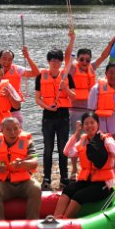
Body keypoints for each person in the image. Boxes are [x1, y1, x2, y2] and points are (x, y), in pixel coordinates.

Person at [67, 32, 115, 179]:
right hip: (76, 110)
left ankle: (92, 165)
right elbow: (67, 55)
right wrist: (72, 40)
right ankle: (75, 169)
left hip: (90, 110)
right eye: (82, 59)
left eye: (87, 60)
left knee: (92, 138)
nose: (85, 62)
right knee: (77, 138)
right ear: (77, 59)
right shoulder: (72, 69)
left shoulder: (92, 67)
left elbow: (103, 57)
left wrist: (111, 43)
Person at [54, 112, 115, 218]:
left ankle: (65, 221)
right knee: (68, 189)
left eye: (92, 123)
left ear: (98, 124)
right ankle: (55, 218)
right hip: (87, 180)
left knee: (79, 196)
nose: (89, 126)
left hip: (104, 183)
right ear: (83, 126)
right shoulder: (83, 140)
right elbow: (67, 152)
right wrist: (76, 133)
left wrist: (107, 143)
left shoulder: (105, 139)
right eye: (86, 124)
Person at [34, 41, 76, 191]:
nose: (55, 63)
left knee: (63, 148)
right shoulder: (41, 76)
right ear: (48, 61)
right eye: (53, 60)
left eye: (58, 60)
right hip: (48, 116)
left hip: (63, 116)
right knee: (48, 149)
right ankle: (46, 178)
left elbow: (74, 97)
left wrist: (66, 88)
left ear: (61, 62)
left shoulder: (66, 76)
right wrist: (47, 107)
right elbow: (37, 98)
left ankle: (64, 178)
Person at [0, 117, 42, 220]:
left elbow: (34, 163)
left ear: (20, 129)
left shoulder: (28, 143)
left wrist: (22, 164)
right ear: (2, 130)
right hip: (4, 183)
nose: (13, 133)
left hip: (24, 182)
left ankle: (32, 222)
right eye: (8, 130)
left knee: (36, 188)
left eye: (15, 129)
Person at [88, 61, 115, 144]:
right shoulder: (96, 89)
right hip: (102, 130)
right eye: (111, 73)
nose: (114, 76)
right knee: (103, 155)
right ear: (106, 73)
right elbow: (91, 112)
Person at [0, 47, 39, 126]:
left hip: (14, 110)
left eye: (10, 59)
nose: (7, 61)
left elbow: (36, 73)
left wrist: (28, 58)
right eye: (4, 58)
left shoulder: (17, 69)